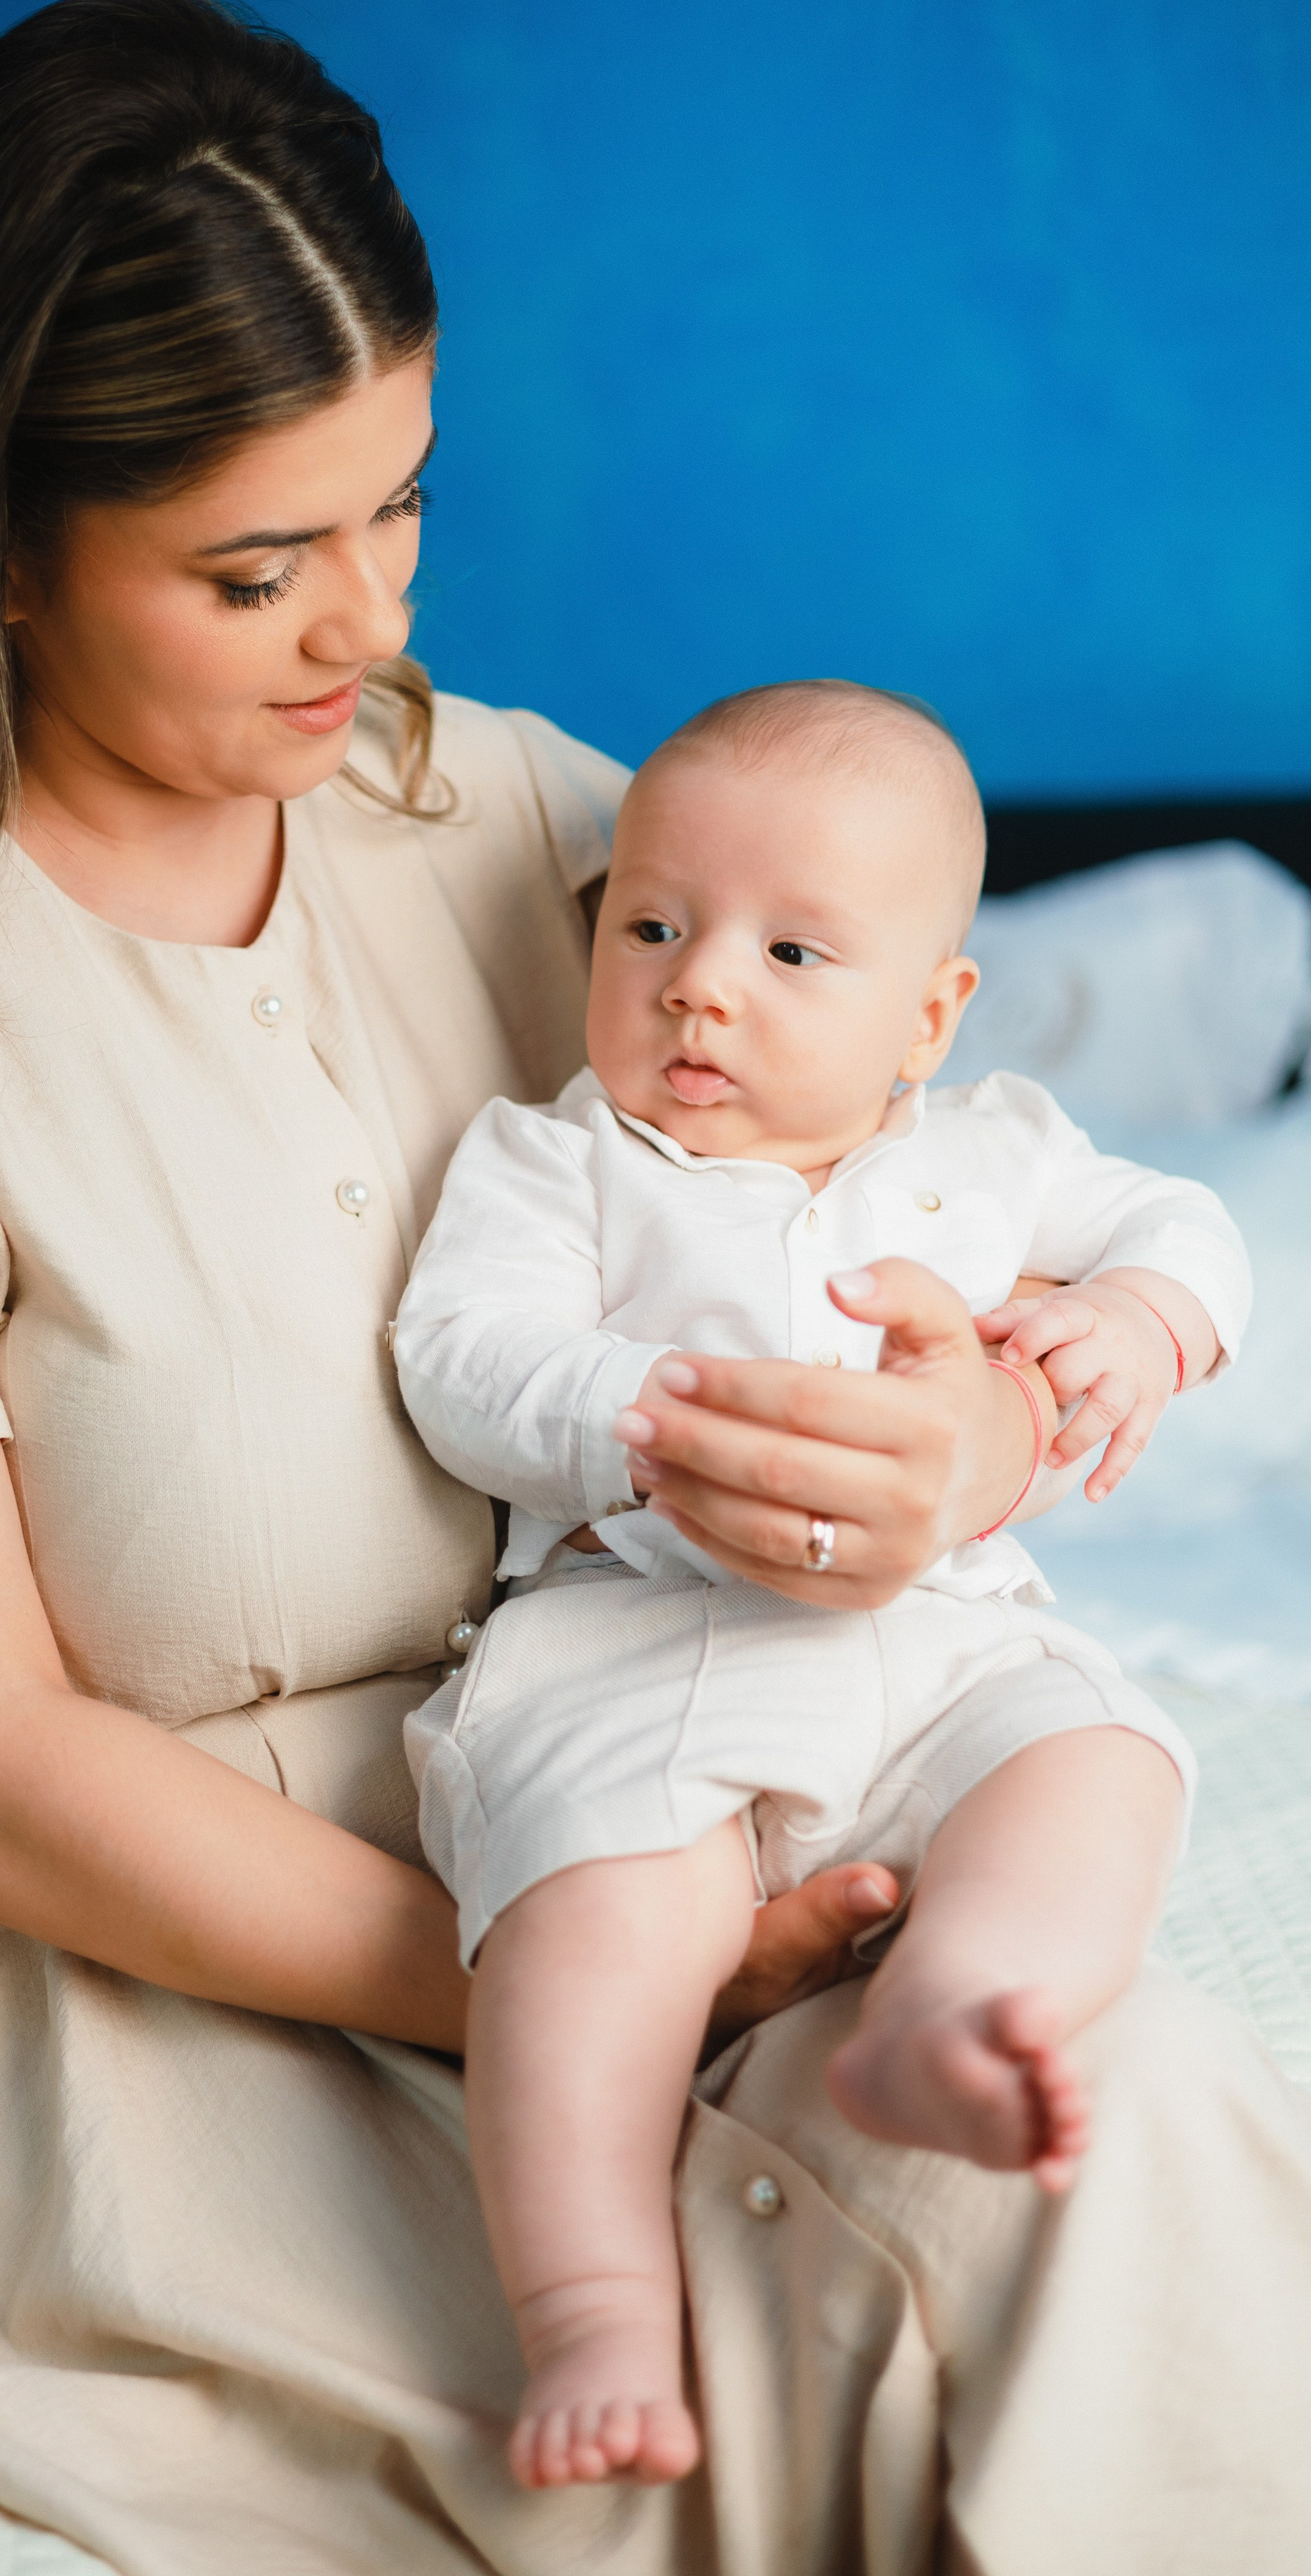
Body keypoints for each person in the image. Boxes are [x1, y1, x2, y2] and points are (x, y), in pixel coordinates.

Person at [0, 0, 1311, 2576]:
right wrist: (632, 1985)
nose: (363, 629)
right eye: (257, 563)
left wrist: (989, 1441)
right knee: (651, 2432)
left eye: (403, 511)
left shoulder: (539, 830)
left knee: (1140, 2179)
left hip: (683, 1783)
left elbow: (910, 1176)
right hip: (155, 1961)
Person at [393, 679, 1250, 2490]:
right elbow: (458, 1356)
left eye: (793, 950)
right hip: (636, 1648)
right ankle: (591, 2303)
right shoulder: (560, 1159)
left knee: (1099, 1756)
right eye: (652, 925)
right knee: (590, 1917)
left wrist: (1135, 1322)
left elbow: (1185, 1228)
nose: (700, 983)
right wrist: (646, 1415)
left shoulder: (990, 1158)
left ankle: (955, 2004)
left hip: (938, 1645)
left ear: (925, 1017)